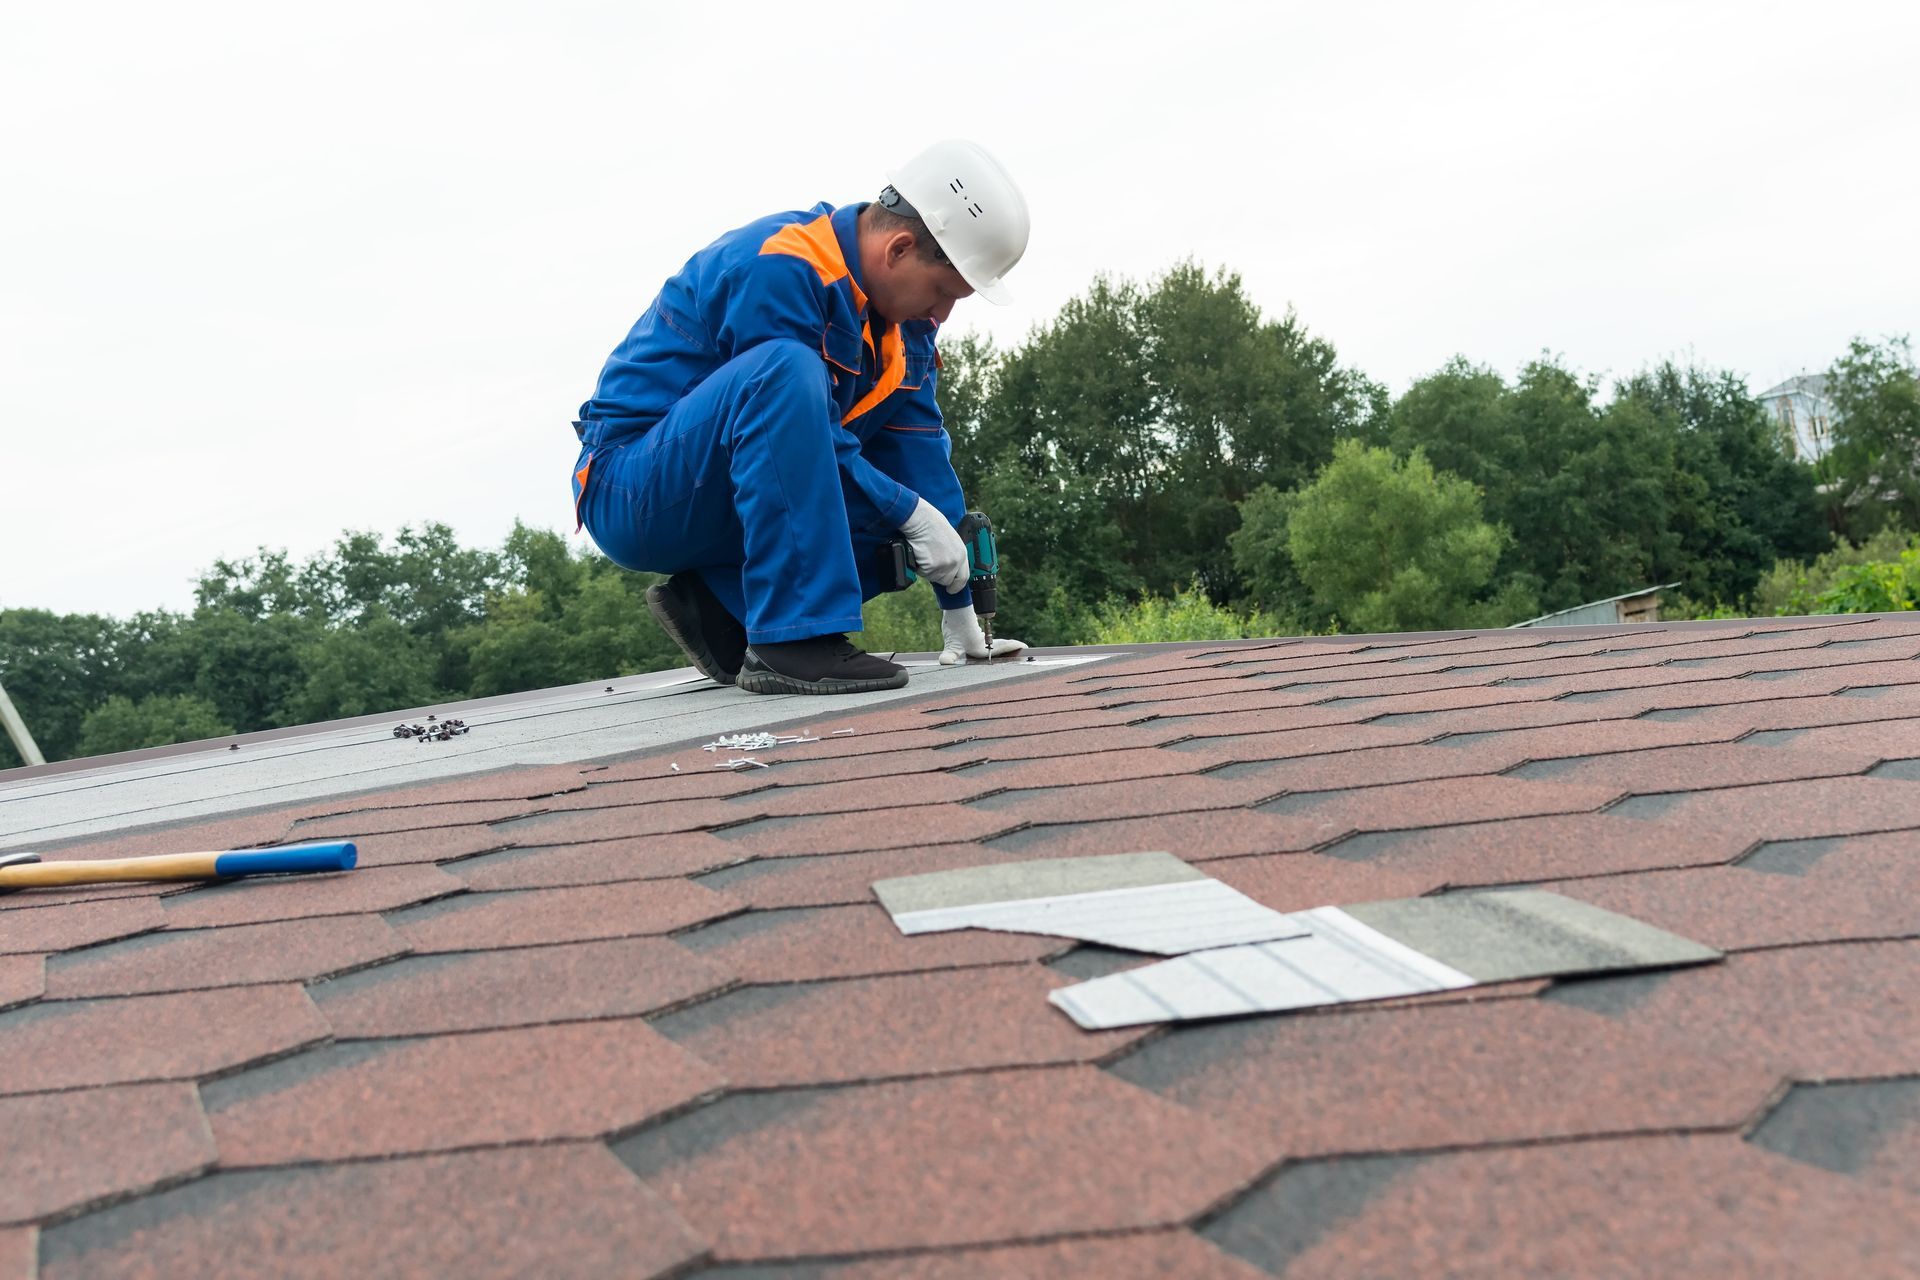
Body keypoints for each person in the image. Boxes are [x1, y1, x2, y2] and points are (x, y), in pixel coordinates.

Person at [570, 140, 1031, 695]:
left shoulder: (906, 332)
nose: (941, 312)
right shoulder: (782, 265)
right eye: (942, 291)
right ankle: (792, 644)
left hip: (724, 498)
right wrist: (906, 509)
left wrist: (959, 606)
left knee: (898, 525)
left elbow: (921, 461)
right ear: (900, 248)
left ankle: (723, 611)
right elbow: (781, 415)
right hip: (634, 489)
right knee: (785, 373)